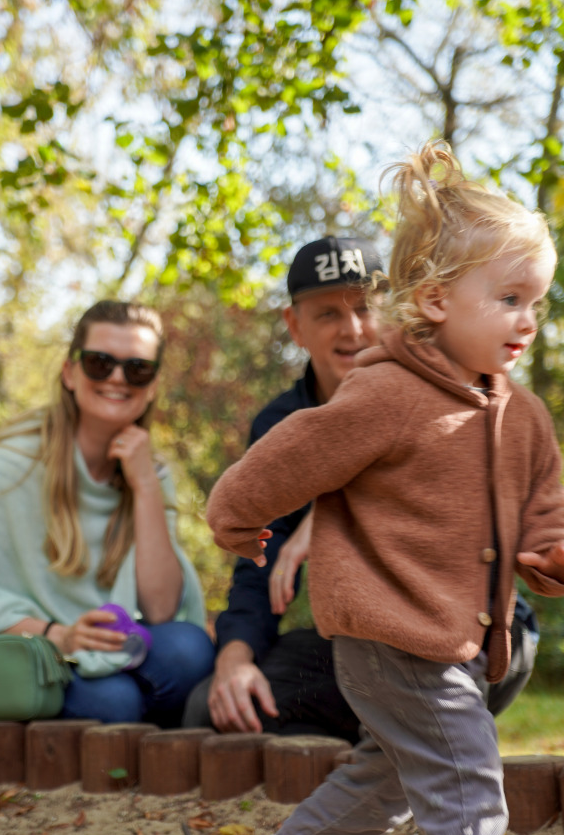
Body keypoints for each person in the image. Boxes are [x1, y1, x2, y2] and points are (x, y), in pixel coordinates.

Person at [206, 143, 564, 835]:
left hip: (456, 632)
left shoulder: (518, 412)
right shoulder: (386, 393)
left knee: (389, 781)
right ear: (435, 299)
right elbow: (289, 455)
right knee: (465, 764)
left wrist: (556, 552)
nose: (529, 319)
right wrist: (237, 513)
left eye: (538, 301)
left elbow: (541, 505)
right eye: (510, 299)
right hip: (388, 630)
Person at [184, 235, 539, 739]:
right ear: (295, 326)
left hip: (480, 632)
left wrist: (332, 513)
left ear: (394, 311)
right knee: (214, 706)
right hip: (374, 642)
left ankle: (411, 740)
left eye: (366, 308)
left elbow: (486, 520)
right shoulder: (282, 422)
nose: (351, 329)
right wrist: (234, 661)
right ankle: (388, 746)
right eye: (327, 314)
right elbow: (257, 561)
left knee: (385, 704)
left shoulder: (448, 383)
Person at [0, 299, 215, 726]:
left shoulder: (151, 473)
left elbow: (161, 610)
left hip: (83, 650)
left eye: (137, 368)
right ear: (70, 372)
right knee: (115, 704)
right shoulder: (14, 463)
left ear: (154, 384)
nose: (118, 378)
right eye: (99, 363)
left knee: (189, 649)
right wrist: (59, 634)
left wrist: (145, 486)